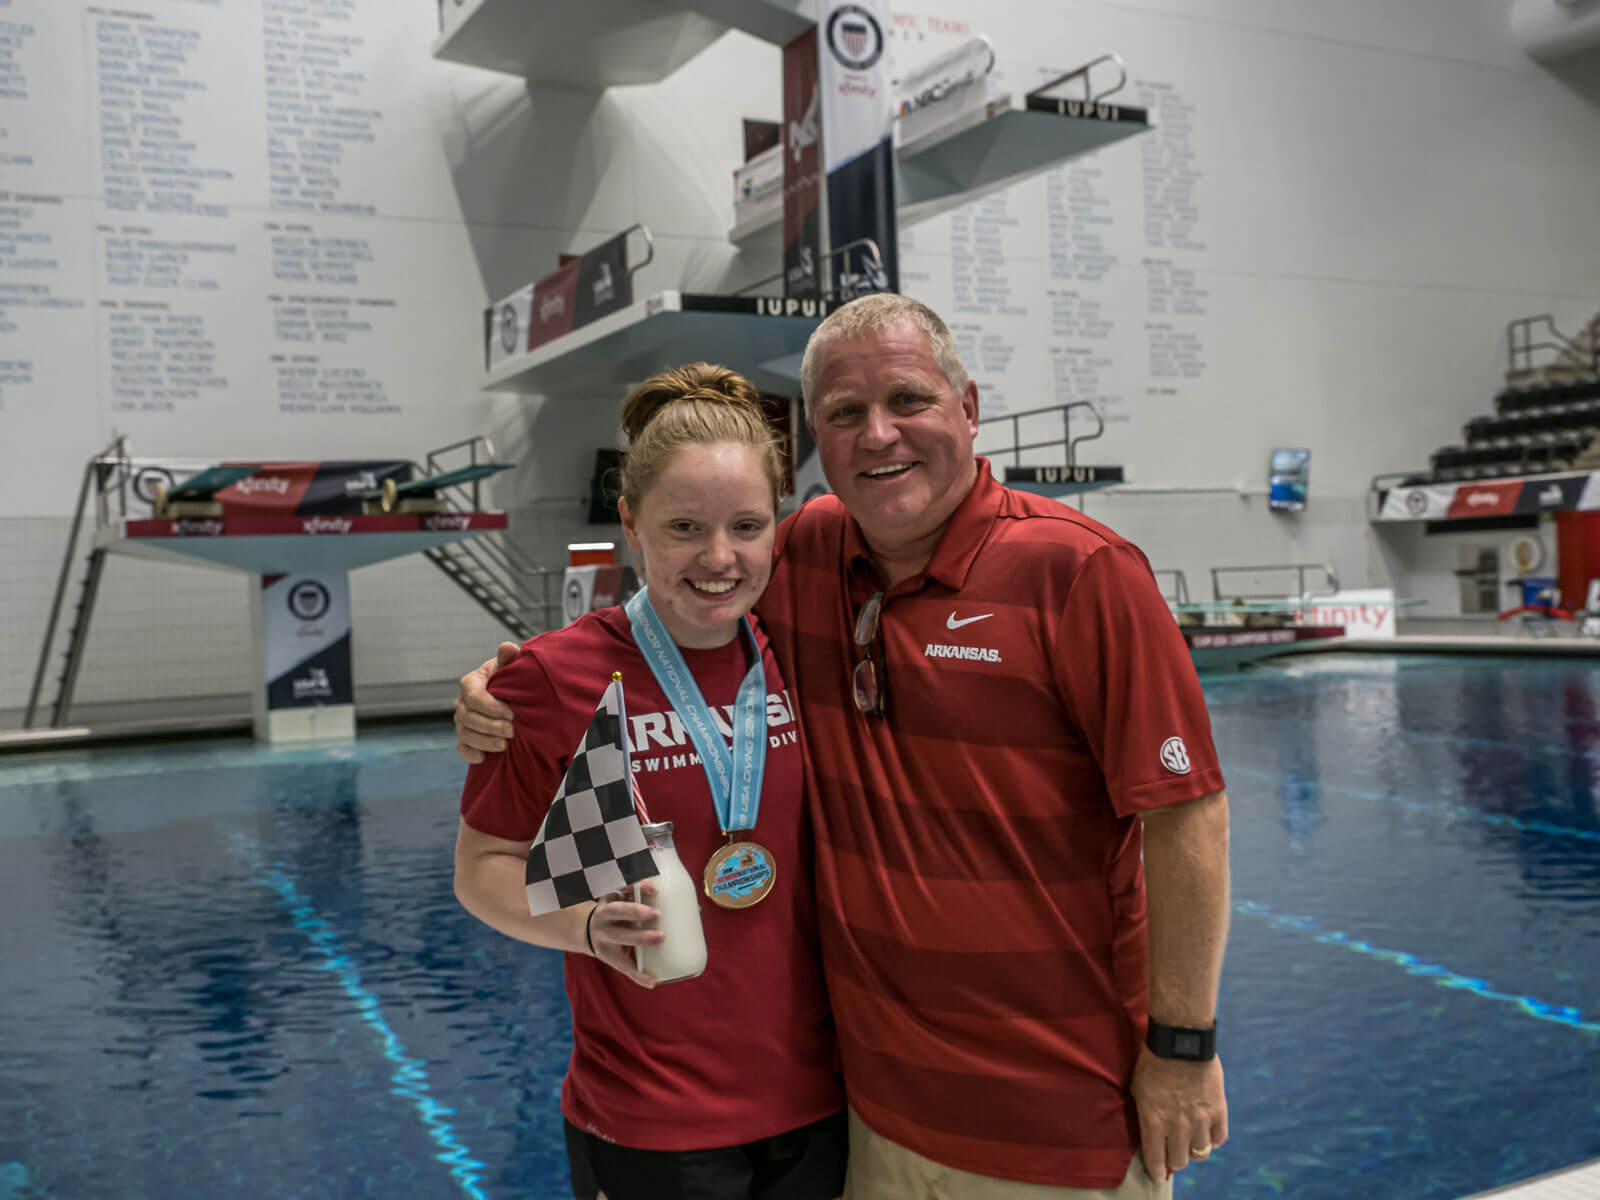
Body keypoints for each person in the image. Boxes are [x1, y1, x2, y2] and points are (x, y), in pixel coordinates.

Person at [457, 295, 1231, 1200]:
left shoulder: (1078, 571)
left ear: (969, 408)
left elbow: (1188, 815)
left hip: (1056, 1114)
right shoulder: (812, 559)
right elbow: (681, 598)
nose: (879, 434)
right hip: (867, 1119)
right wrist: (503, 691)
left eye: (908, 400)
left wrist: (1183, 1047)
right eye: (844, 414)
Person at [452, 363, 846, 1200]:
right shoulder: (556, 679)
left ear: (777, 525)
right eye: (683, 528)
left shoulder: (796, 650)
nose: (718, 557)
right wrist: (589, 929)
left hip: (822, 1104)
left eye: (746, 525)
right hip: (650, 1118)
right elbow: (483, 870)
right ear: (630, 523)